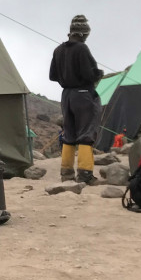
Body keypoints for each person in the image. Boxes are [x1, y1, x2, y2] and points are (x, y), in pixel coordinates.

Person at [49, 14, 103, 183]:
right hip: (83, 94)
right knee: (86, 133)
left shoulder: (58, 50)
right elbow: (89, 74)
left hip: (66, 96)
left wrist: (67, 80)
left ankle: (66, 173)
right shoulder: (81, 49)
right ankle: (85, 175)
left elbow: (52, 76)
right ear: (82, 33)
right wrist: (98, 74)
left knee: (69, 134)